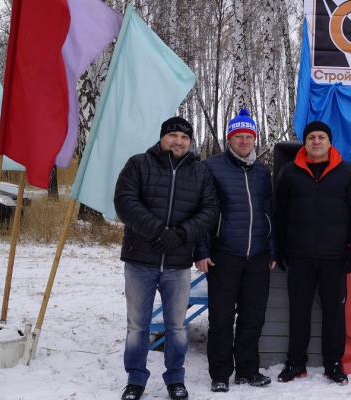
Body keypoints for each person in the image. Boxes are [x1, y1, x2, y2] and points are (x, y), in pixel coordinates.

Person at [114, 116, 219, 400]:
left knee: (177, 327)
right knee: (137, 326)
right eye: (173, 135)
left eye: (184, 137)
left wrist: (181, 234)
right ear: (162, 137)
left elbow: (210, 211)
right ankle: (135, 380)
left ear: (190, 142)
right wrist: (159, 232)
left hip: (177, 265)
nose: (178, 141)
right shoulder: (139, 164)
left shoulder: (200, 172)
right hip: (140, 261)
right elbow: (125, 202)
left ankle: (175, 379)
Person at [274, 120, 351, 385]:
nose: (316, 141)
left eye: (321, 137)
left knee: (334, 314)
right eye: (311, 137)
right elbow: (280, 213)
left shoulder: (345, 171)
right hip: (299, 255)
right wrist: (279, 247)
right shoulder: (290, 172)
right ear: (304, 142)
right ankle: (296, 363)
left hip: (334, 257)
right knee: (298, 311)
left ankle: (333, 364)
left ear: (329, 142)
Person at [194, 109, 277, 393]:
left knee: (253, 317)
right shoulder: (211, 166)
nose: (244, 141)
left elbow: (268, 211)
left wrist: (272, 249)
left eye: (248, 136)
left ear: (254, 139)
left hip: (258, 256)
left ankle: (247, 369)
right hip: (224, 255)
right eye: (238, 136)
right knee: (221, 318)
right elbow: (201, 211)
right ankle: (220, 373)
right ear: (229, 139)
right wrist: (201, 250)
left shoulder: (262, 171)